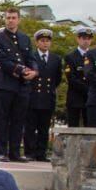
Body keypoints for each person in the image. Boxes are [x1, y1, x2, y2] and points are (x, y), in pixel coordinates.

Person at [0, 7, 35, 161]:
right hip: (4, 84)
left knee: (18, 120)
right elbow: (0, 59)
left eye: (13, 17)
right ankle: (2, 152)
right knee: (2, 119)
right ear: (5, 19)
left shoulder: (25, 38)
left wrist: (34, 71)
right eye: (8, 18)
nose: (11, 20)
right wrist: (21, 69)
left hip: (22, 86)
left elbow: (31, 57)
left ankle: (15, 152)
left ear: (18, 19)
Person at [23, 28, 61, 161]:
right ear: (37, 42)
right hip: (33, 96)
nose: (45, 43)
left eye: (47, 41)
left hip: (47, 97)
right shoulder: (31, 56)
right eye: (42, 41)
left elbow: (57, 78)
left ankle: (41, 153)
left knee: (44, 128)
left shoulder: (55, 59)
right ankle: (29, 152)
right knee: (30, 127)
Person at [62, 25, 93, 128]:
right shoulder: (70, 57)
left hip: (91, 97)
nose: (86, 41)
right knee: (73, 126)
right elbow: (71, 78)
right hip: (75, 96)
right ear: (78, 39)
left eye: (88, 39)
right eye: (84, 38)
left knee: (89, 126)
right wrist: (87, 89)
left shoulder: (94, 56)